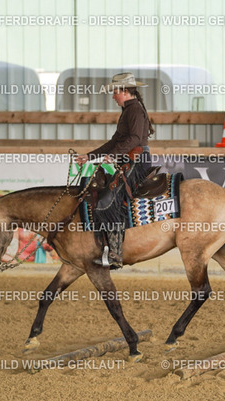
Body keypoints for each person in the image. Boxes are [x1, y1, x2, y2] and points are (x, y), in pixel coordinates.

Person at [75, 72, 153, 269]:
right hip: (131, 159)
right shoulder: (130, 110)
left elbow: (134, 139)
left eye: (115, 92)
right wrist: (90, 157)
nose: (113, 96)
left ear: (125, 91)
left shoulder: (134, 110)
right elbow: (114, 142)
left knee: (106, 202)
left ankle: (115, 254)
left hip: (137, 161)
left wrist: (113, 155)